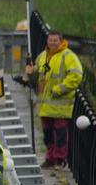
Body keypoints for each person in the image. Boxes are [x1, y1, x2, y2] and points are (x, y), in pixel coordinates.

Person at [25, 30, 84, 168]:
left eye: (55, 40)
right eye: (50, 40)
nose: (52, 43)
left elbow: (76, 77)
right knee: (47, 135)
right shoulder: (43, 55)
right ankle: (50, 158)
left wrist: (58, 89)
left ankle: (59, 159)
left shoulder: (68, 56)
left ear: (61, 41)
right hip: (44, 104)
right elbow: (38, 75)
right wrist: (31, 72)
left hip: (60, 104)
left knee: (60, 134)